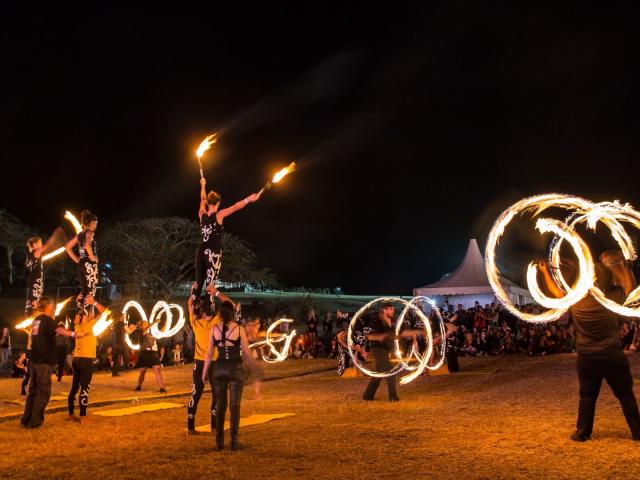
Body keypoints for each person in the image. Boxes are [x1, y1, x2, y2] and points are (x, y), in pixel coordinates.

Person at [538, 252, 640, 441]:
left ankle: (582, 432)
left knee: (587, 396)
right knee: (625, 394)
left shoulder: (577, 300)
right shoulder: (611, 297)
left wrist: (545, 272)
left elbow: (556, 294)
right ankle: (638, 431)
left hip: (587, 357)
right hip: (611, 355)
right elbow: (630, 287)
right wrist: (624, 267)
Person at [190, 176, 262, 309]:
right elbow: (235, 207)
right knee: (210, 285)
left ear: (209, 203)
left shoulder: (201, 214)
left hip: (201, 250)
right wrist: (249, 199)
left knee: (199, 282)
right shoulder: (219, 215)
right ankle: (208, 314)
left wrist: (203, 185)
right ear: (218, 203)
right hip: (213, 253)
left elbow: (202, 199)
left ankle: (194, 310)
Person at [203, 299, 258, 450]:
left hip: (219, 368)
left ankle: (219, 441)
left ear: (220, 315)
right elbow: (246, 352)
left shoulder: (214, 329)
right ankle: (234, 441)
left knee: (221, 405)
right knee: (235, 405)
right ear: (232, 314)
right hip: (235, 369)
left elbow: (209, 354)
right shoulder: (239, 329)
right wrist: (252, 368)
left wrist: (204, 372)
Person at [21, 297, 83, 428]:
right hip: (43, 363)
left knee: (33, 391)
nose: (55, 307)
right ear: (48, 306)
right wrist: (73, 334)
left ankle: (26, 419)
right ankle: (35, 421)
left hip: (34, 361)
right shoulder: (48, 320)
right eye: (53, 305)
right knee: (43, 393)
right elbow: (59, 330)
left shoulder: (36, 320)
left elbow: (42, 336)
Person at [186, 284, 235, 434]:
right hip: (213, 364)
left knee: (196, 393)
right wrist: (216, 292)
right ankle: (214, 426)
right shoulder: (215, 323)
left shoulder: (195, 324)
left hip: (199, 364)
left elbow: (189, 304)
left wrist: (194, 291)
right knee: (218, 394)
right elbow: (231, 305)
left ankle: (190, 427)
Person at [362, 302, 418, 402]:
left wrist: (416, 332)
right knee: (391, 372)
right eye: (391, 309)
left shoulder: (393, 320)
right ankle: (393, 398)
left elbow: (401, 332)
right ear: (384, 310)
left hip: (386, 349)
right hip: (378, 349)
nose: (393, 311)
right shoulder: (376, 321)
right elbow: (369, 336)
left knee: (379, 374)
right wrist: (379, 336)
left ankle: (367, 396)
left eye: (393, 309)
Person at [67, 297, 106, 423]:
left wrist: (83, 303)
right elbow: (105, 312)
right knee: (85, 388)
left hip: (76, 359)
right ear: (88, 315)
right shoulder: (90, 324)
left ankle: (71, 413)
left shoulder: (77, 325)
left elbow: (80, 314)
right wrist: (93, 302)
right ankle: (83, 416)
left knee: (74, 387)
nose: (93, 314)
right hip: (86, 360)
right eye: (91, 312)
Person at [65, 210, 99, 316]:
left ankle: (80, 312)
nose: (96, 226)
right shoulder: (90, 233)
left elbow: (67, 247)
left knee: (84, 291)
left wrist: (77, 260)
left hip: (81, 264)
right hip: (89, 265)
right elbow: (87, 245)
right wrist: (92, 257)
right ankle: (87, 316)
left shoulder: (80, 234)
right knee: (91, 291)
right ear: (92, 223)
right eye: (95, 224)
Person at [133, 320, 167, 393]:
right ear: (141, 326)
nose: (146, 325)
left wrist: (167, 321)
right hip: (144, 354)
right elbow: (145, 330)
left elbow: (161, 332)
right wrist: (154, 322)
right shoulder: (140, 333)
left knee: (157, 370)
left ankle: (162, 388)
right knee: (142, 372)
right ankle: (139, 386)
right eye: (144, 324)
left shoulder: (151, 334)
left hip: (153, 354)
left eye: (147, 324)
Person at [24, 237, 45, 316]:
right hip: (36, 283)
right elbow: (48, 246)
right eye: (40, 243)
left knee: (31, 302)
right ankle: (34, 319)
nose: (42, 245)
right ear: (35, 245)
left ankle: (29, 315)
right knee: (35, 304)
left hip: (33, 283)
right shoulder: (36, 252)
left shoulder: (30, 255)